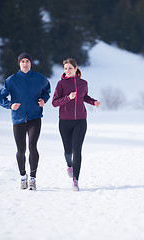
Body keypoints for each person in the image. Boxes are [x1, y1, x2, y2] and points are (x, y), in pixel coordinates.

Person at [0, 52, 51, 190]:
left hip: (35, 117)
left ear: (30, 63)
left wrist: (43, 100)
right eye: (22, 61)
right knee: (21, 150)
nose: (25, 64)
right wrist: (10, 105)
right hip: (18, 119)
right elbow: (0, 97)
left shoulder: (39, 78)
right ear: (19, 64)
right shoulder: (11, 80)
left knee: (33, 146)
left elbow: (47, 90)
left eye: (27, 61)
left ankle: (33, 178)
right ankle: (23, 177)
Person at [52, 58, 100, 191]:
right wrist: (68, 98)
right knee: (68, 151)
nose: (67, 71)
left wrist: (93, 102)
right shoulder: (61, 84)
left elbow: (84, 97)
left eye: (70, 68)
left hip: (80, 121)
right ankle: (69, 164)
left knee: (77, 150)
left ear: (75, 69)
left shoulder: (83, 83)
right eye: (65, 68)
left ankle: (75, 181)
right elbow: (55, 102)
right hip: (64, 121)